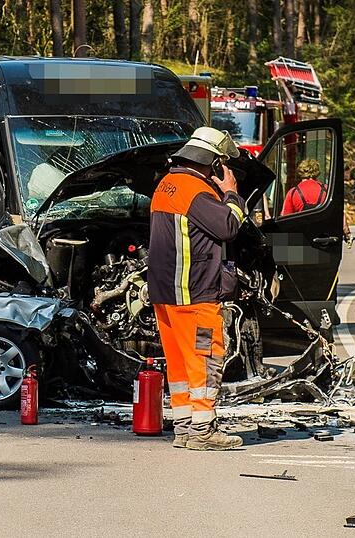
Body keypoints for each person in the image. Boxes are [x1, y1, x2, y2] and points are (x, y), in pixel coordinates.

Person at [148, 126, 246, 451]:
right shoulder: (196, 191)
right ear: (215, 164)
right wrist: (231, 192)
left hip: (165, 294)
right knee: (206, 358)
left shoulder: (167, 185)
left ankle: (184, 427)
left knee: (178, 364)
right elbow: (229, 226)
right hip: (193, 295)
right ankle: (203, 431)